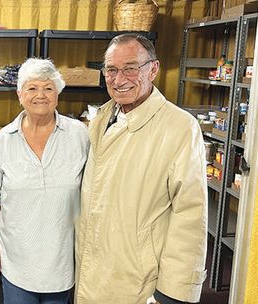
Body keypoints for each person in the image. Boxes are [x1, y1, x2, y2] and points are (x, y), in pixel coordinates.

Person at [74, 33, 208, 304]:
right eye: (111, 70)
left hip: (138, 283)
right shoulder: (100, 118)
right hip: (90, 271)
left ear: (154, 69)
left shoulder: (179, 127)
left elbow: (190, 215)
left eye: (131, 69)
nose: (119, 79)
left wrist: (173, 294)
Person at [0, 58, 90, 304]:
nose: (41, 95)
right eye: (32, 88)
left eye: (48, 88)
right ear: (20, 95)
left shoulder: (79, 135)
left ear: (58, 94)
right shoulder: (4, 139)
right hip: (17, 260)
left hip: (62, 261)